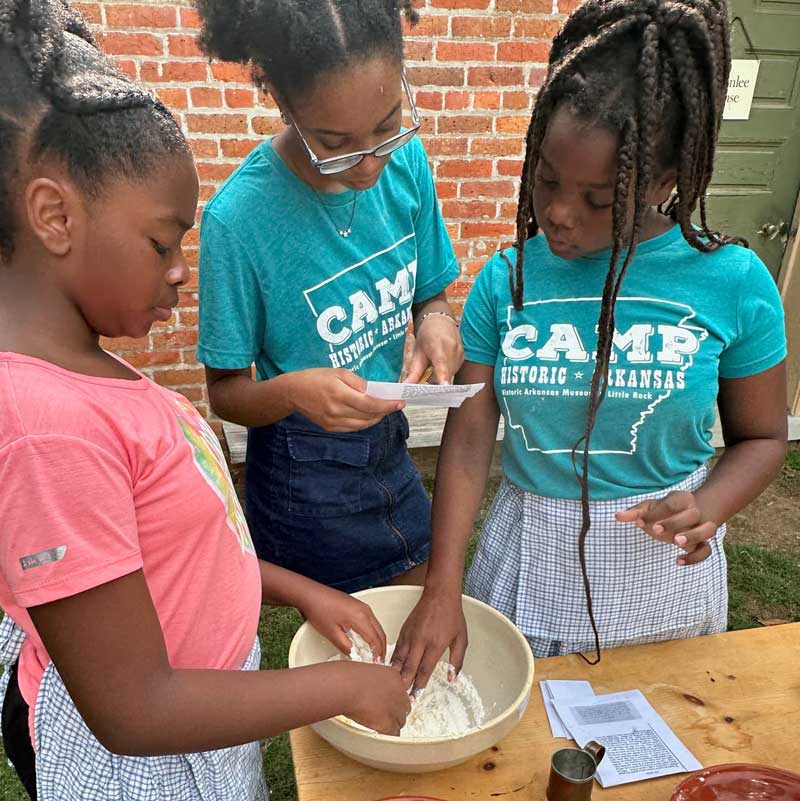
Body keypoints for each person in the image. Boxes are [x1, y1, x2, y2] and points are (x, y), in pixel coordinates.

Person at [0, 4, 410, 799]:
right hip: (145, 769)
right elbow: (135, 707)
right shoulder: (48, 429)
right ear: (54, 216)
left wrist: (295, 587)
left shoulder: (86, 375)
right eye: (164, 241)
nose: (182, 270)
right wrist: (346, 688)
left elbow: (179, 555)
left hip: (207, 723)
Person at [393, 0, 788, 689]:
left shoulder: (734, 283)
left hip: (659, 574)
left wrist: (712, 505)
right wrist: (442, 585)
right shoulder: (508, 280)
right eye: (547, 179)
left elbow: (762, 437)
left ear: (664, 182)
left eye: (600, 198)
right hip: (528, 560)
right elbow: (468, 434)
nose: (559, 213)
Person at [194, 0, 463, 593]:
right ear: (285, 104)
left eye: (388, 125)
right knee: (343, 640)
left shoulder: (407, 163)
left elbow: (431, 296)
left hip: (389, 443)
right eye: (336, 142)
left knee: (419, 603)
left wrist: (437, 320)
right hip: (302, 465)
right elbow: (227, 393)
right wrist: (294, 391)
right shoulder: (238, 221)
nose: (370, 164)